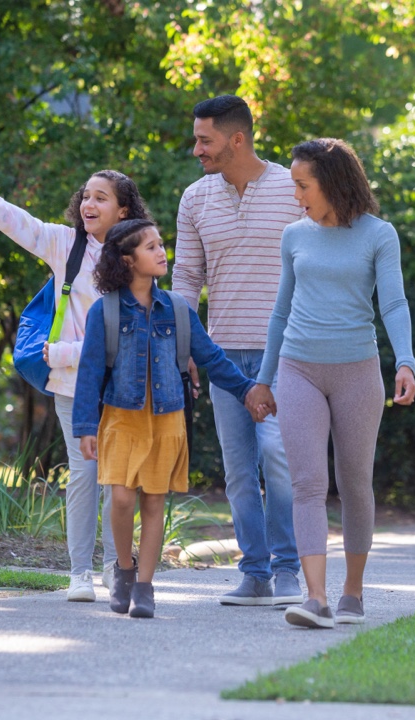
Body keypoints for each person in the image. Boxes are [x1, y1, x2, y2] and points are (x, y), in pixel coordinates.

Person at [0, 170, 151, 602]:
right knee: (84, 474)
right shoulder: (67, 245)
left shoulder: (136, 254)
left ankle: (112, 566)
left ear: (123, 209)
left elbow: (134, 333)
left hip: (120, 385)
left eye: (101, 197)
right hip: (75, 387)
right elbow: (20, 223)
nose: (89, 204)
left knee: (116, 480)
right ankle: (80, 573)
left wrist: (64, 353)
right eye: (86, 195)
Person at [246, 138, 415, 629]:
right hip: (298, 368)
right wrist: (264, 379)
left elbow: (394, 304)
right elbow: (280, 312)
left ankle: (352, 592)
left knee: (354, 483)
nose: (297, 195)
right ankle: (315, 598)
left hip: (357, 372)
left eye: (303, 185)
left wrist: (404, 361)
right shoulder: (294, 236)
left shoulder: (379, 235)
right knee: (306, 483)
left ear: (333, 182)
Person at [72, 219, 261, 619]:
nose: (162, 252)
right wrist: (85, 426)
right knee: (121, 499)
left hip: (167, 418)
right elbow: (89, 373)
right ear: (128, 260)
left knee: (154, 502)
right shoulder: (103, 312)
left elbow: (211, 357)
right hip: (121, 418)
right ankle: (124, 569)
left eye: (162, 244)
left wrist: (247, 391)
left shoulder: (177, 309)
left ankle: (145, 586)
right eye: (152, 247)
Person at [172, 95, 304, 607]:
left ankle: (289, 567)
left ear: (237, 139)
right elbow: (186, 276)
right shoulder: (195, 198)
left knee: (279, 457)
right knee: (239, 470)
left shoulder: (291, 189)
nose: (196, 149)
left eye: (205, 139)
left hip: (284, 354)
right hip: (222, 356)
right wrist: (184, 342)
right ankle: (255, 573)